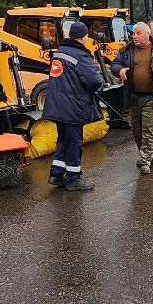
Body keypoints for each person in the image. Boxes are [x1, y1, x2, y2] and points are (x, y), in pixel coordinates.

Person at [110, 21, 153, 174]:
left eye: (138, 33)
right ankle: (146, 153)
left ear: (147, 34)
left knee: (150, 129)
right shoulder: (127, 50)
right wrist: (119, 70)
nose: (135, 36)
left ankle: (145, 160)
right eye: (133, 33)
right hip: (133, 96)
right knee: (136, 130)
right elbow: (115, 64)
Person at [42, 20, 103, 191]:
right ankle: (73, 178)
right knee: (74, 141)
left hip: (57, 105)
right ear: (83, 37)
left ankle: (56, 174)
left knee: (63, 139)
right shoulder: (80, 55)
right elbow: (95, 81)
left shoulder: (59, 52)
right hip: (73, 106)